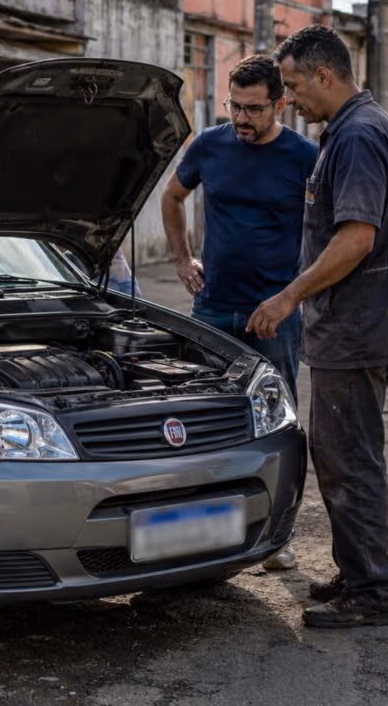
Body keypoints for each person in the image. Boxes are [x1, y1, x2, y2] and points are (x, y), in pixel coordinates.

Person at [247, 25, 388, 628]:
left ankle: (372, 594)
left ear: (325, 75)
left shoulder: (358, 136)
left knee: (350, 460)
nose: (289, 99)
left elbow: (356, 237)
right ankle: (357, 572)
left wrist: (289, 296)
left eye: (293, 85)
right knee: (344, 453)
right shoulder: (361, 127)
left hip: (358, 327)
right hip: (367, 323)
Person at [159, 54, 318, 572]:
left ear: (280, 104)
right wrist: (182, 258)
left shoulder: (304, 157)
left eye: (253, 109)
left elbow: (329, 229)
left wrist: (295, 294)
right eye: (235, 106)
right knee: (201, 424)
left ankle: (276, 536)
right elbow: (173, 196)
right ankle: (202, 531)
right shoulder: (209, 144)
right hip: (211, 308)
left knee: (276, 427)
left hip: (273, 313)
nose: (242, 119)